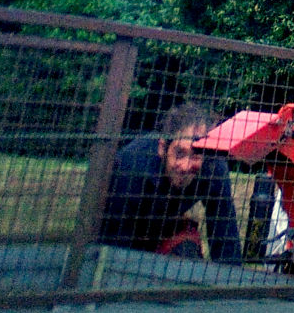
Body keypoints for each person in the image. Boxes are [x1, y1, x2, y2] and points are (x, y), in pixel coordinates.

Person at [100, 102, 243, 265]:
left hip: (168, 232)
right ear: (162, 148)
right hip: (124, 233)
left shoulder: (214, 166)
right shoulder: (131, 166)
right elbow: (113, 242)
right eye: (179, 153)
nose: (185, 166)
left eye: (196, 155)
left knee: (187, 254)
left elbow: (225, 234)